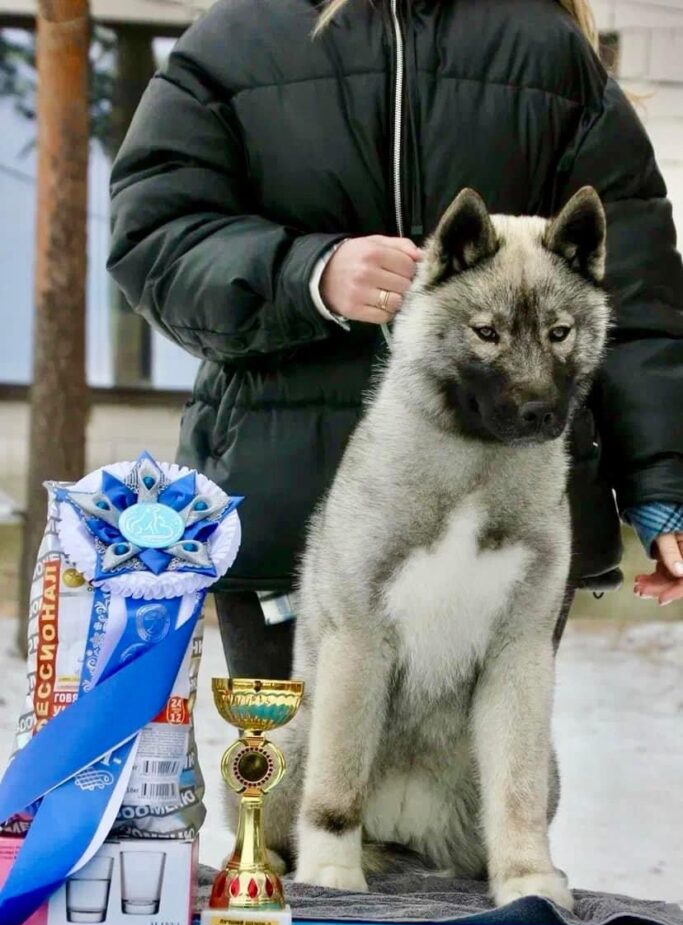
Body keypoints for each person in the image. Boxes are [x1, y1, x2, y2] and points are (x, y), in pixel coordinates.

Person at [107, 0, 683, 681]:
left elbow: (632, 289)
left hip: (504, 517)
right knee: (293, 780)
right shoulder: (235, 39)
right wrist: (309, 275)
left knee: (477, 785)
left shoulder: (545, 46)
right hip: (292, 509)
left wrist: (661, 484)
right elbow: (154, 242)